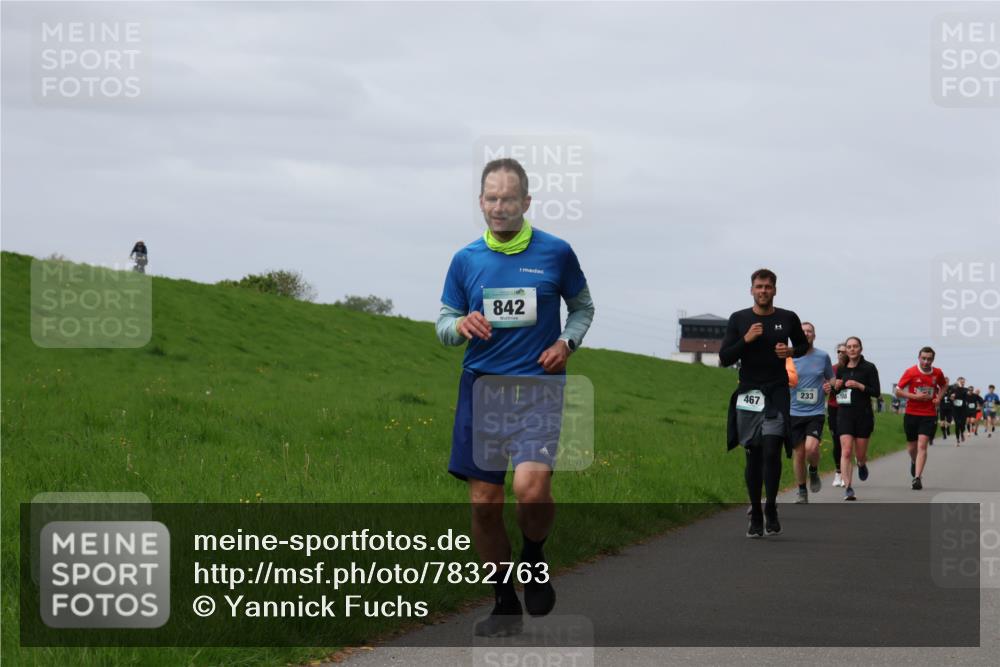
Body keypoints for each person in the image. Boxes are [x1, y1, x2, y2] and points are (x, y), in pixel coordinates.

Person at [436, 158, 594, 637]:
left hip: (538, 388)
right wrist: (460, 325)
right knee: (484, 503)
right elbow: (443, 324)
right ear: (480, 202)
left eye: (508, 198)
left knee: (531, 489)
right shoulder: (465, 260)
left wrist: (566, 343)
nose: (499, 206)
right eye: (491, 198)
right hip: (481, 389)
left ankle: (534, 554)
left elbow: (582, 307)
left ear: (526, 202)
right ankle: (504, 602)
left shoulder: (556, 252)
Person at [721, 268, 808, 538]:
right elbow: (724, 357)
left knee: (772, 449)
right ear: (751, 290)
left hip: (777, 392)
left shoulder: (788, 318)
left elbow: (802, 346)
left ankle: (771, 506)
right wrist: (745, 340)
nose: (763, 291)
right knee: (754, 453)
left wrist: (790, 351)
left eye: (768, 287)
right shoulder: (739, 319)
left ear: (775, 290)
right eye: (759, 287)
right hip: (749, 392)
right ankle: (756, 513)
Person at [788, 322, 833, 503]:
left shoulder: (822, 356)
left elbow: (831, 377)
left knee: (811, 448)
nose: (806, 333)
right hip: (793, 411)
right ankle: (802, 491)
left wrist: (830, 385)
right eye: (803, 331)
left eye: (809, 331)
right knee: (799, 454)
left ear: (814, 335)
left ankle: (813, 470)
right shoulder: (788, 357)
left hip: (815, 411)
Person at [832, 336, 881, 501]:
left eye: (855, 346)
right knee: (846, 451)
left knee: (860, 454)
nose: (852, 349)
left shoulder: (869, 368)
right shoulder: (841, 369)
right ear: (846, 350)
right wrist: (836, 387)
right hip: (844, 414)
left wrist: (859, 386)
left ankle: (861, 463)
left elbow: (876, 392)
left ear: (861, 349)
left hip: (863, 415)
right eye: (849, 347)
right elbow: (836, 392)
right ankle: (848, 488)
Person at [894, 347, 947, 490]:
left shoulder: (937, 373)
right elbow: (897, 391)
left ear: (933, 359)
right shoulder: (911, 372)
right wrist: (914, 396)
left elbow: (944, 385)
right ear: (919, 358)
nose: (926, 361)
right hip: (911, 413)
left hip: (928, 414)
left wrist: (939, 398)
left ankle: (917, 478)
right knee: (912, 448)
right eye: (923, 358)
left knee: (922, 446)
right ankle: (914, 461)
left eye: (929, 359)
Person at [825, 343, 848, 487]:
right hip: (834, 408)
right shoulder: (831, 369)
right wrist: (829, 387)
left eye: (844, 352)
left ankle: (846, 473)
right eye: (839, 351)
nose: (841, 354)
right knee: (836, 441)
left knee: (846, 442)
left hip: (849, 409)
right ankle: (838, 472)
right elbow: (825, 387)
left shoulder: (853, 369)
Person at [951, 378, 970, 445]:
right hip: (955, 409)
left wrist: (968, 393)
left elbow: (967, 395)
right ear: (958, 382)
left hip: (963, 409)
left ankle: (962, 433)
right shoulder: (953, 389)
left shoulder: (966, 389)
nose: (962, 383)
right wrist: (952, 397)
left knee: (962, 424)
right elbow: (950, 397)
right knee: (957, 424)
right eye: (961, 382)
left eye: (963, 382)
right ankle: (957, 440)